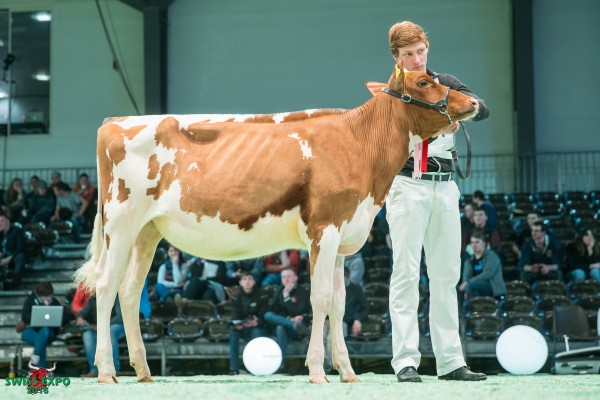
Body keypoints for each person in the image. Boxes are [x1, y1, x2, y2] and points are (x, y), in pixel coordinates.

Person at [384, 21, 489, 382]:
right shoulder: (391, 93)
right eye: (408, 54)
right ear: (397, 57)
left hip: (444, 187)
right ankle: (405, 362)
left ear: (427, 48)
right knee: (406, 273)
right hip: (407, 185)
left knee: (446, 275)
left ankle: (451, 362)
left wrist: (461, 111)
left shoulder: (445, 82)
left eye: (420, 51)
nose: (416, 59)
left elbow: (482, 107)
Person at [323, 267, 369, 372]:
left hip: (343, 321)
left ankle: (330, 366)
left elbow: (365, 308)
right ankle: (324, 363)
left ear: (347, 277)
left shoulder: (356, 289)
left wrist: (358, 320)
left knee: (331, 339)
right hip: (326, 320)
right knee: (320, 337)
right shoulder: (328, 288)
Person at [263, 268, 310, 370]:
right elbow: (274, 310)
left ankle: (280, 363)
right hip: (290, 325)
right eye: (283, 277)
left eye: (288, 276)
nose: (286, 279)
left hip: (298, 329)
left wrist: (287, 296)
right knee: (269, 316)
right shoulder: (279, 290)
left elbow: (297, 311)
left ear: (295, 278)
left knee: (280, 326)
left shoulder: (303, 291)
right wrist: (289, 319)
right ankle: (280, 364)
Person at [16, 282, 69, 368]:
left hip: (49, 332)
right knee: (41, 340)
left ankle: (35, 360)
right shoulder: (30, 301)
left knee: (43, 333)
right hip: (32, 331)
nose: (48, 298)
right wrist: (40, 309)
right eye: (46, 296)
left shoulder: (54, 302)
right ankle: (40, 367)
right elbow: (25, 317)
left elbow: (64, 319)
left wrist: (51, 311)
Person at [228, 272, 269, 375]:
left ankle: (255, 367)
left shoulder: (262, 295)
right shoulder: (236, 297)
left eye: (250, 279)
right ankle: (234, 368)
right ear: (240, 282)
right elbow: (235, 316)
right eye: (244, 279)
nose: (247, 281)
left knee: (256, 333)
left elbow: (266, 316)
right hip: (244, 327)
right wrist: (238, 325)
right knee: (233, 333)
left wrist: (256, 322)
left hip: (259, 327)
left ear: (254, 282)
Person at [77, 294, 126, 377]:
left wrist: (104, 325)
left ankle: (114, 368)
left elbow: (120, 317)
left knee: (110, 332)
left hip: (116, 326)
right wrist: (80, 317)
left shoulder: (116, 297)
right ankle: (94, 369)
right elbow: (82, 313)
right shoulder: (93, 298)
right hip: (98, 328)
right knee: (87, 335)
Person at [460, 230, 506, 299]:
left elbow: (487, 274)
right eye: (472, 242)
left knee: (470, 286)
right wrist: (465, 284)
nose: (474, 245)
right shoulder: (469, 261)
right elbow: (466, 275)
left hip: (492, 286)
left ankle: (476, 304)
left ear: (484, 244)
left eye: (477, 242)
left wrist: (468, 282)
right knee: (457, 289)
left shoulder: (491, 256)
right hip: (473, 285)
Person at [0, 212, 27, 289]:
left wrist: (10, 258)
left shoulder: (17, 231)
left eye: (2, 221)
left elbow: (21, 247)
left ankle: (15, 282)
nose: (0, 224)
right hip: (3, 258)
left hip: (13, 258)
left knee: (21, 256)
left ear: (8, 221)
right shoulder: (0, 235)